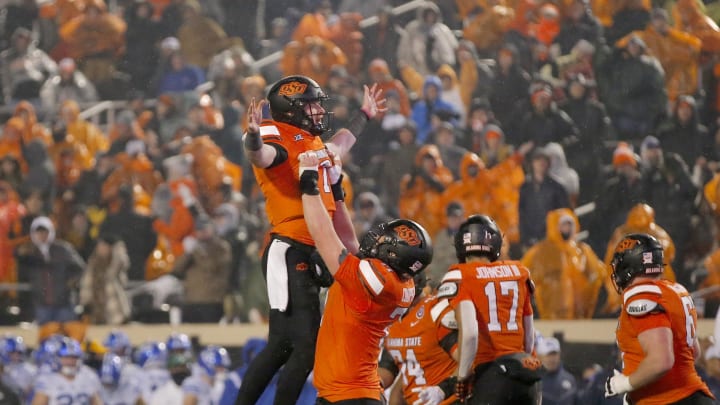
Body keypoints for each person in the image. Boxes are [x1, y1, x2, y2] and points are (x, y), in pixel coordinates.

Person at [235, 75, 386, 405]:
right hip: (288, 248)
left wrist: (365, 114)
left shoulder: (311, 142)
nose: (319, 110)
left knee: (283, 345)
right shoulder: (279, 136)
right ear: (291, 110)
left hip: (307, 250)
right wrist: (254, 137)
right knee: (302, 347)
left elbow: (343, 142)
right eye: (311, 104)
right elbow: (260, 156)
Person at [297, 151, 433, 404]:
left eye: (385, 239)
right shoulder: (399, 282)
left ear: (394, 252)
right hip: (356, 394)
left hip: (349, 397)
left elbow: (324, 235)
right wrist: (337, 192)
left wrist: (308, 181)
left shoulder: (375, 282)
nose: (377, 239)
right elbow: (349, 243)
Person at [440, 215, 541, 404]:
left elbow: (470, 334)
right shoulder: (519, 271)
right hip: (528, 372)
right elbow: (529, 335)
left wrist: (461, 376)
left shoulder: (461, 274)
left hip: (492, 374)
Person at [604, 233, 714, 404]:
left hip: (666, 401)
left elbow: (661, 360)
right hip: (694, 396)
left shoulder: (641, 295)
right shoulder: (675, 290)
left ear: (629, 264)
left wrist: (625, 384)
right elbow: (694, 352)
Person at [378, 274, 460, 405]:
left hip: (449, 400)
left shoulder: (435, 308)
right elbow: (390, 367)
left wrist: (444, 388)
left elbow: (468, 358)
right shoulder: (393, 318)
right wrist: (370, 386)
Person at [30, 337, 103, 405]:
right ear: (57, 358)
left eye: (74, 357)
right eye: (66, 357)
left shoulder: (88, 376)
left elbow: (97, 402)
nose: (70, 361)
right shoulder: (47, 379)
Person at [537, 337, 579, 405]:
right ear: (540, 357)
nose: (552, 359)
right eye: (548, 355)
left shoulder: (570, 379)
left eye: (554, 354)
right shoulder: (534, 381)